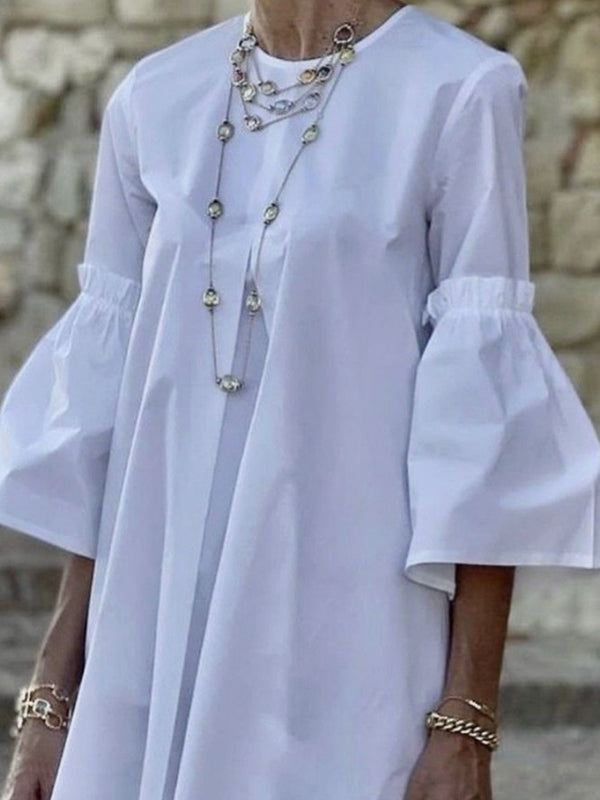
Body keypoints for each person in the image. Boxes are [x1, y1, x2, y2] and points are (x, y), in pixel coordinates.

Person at [1, 1, 599, 799]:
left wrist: (467, 716)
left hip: (352, 633)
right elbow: (113, 426)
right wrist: (52, 693)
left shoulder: (459, 90)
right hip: (149, 630)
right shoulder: (154, 97)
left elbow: (482, 426)